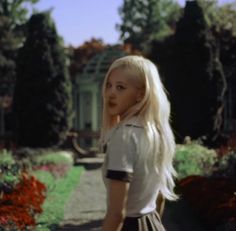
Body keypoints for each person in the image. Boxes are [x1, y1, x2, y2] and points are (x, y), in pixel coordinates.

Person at [100, 55, 178, 231]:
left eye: (120, 87)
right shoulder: (156, 133)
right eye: (108, 85)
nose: (110, 93)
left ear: (140, 94)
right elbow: (160, 198)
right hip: (153, 223)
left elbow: (116, 213)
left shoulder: (124, 136)